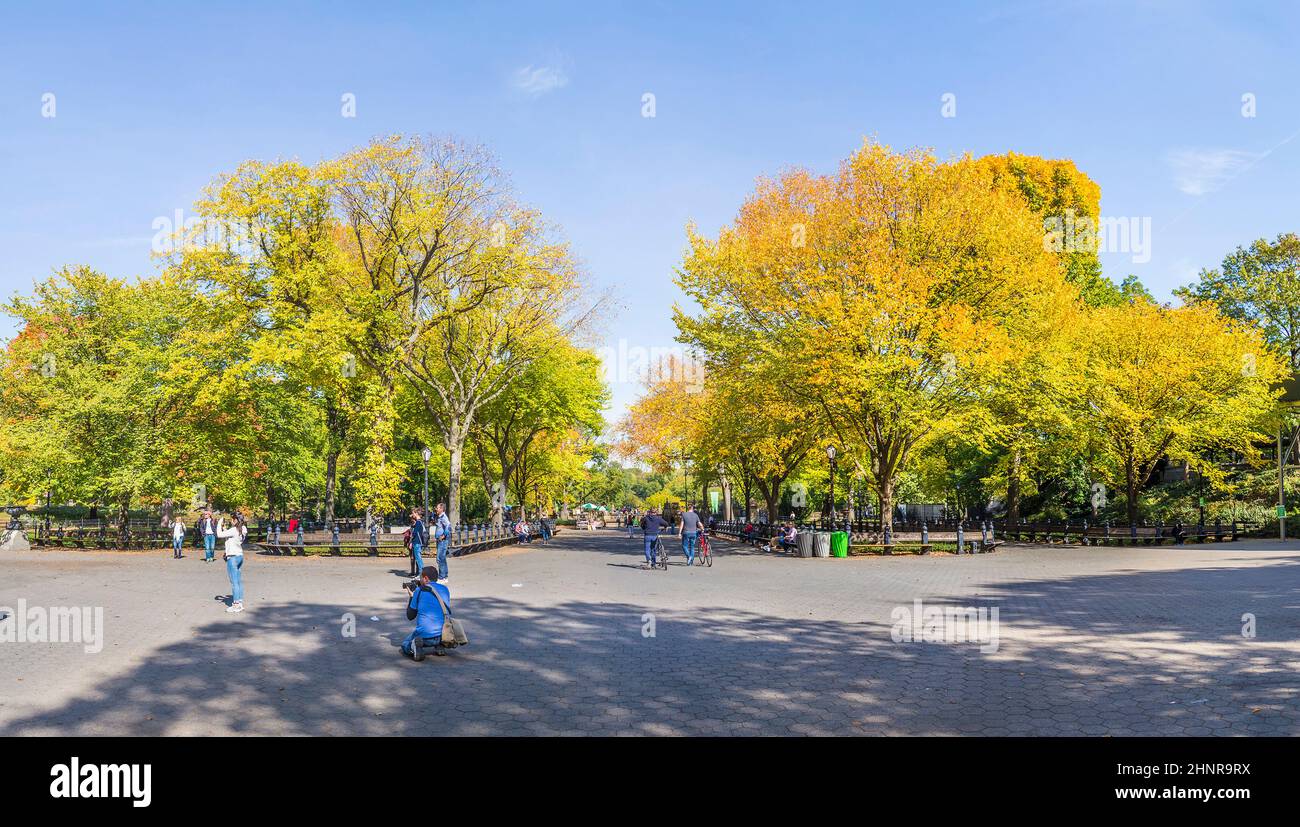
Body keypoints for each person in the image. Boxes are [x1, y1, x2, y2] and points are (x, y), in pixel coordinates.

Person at [401, 565, 451, 660]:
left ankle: (415, 647)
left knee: (405, 645)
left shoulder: (419, 591)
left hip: (425, 637)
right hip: (444, 634)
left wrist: (411, 596)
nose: (419, 581)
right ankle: (439, 645)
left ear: (426, 578)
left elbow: (410, 616)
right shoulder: (445, 589)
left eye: (420, 578)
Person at [219, 513, 248, 613]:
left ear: (235, 520)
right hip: (240, 556)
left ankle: (235, 605)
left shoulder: (234, 530)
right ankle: (239, 602)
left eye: (232, 519)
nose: (231, 521)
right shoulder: (242, 529)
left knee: (234, 582)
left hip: (232, 557)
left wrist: (219, 523)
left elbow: (219, 534)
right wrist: (225, 528)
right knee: (239, 582)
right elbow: (228, 535)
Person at [432, 502, 452, 583]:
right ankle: (445, 576)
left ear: (442, 509)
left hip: (442, 541)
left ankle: (441, 577)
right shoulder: (440, 517)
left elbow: (448, 527)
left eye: (437, 508)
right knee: (442, 559)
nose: (436, 509)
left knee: (439, 558)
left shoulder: (444, 517)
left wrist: (443, 536)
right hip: (440, 540)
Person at [409, 508, 427, 576]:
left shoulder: (418, 522)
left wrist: (410, 541)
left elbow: (414, 533)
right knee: (418, 558)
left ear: (416, 513)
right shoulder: (419, 522)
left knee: (418, 559)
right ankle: (420, 573)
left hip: (417, 543)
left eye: (413, 513)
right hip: (416, 542)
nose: (412, 515)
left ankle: (421, 574)